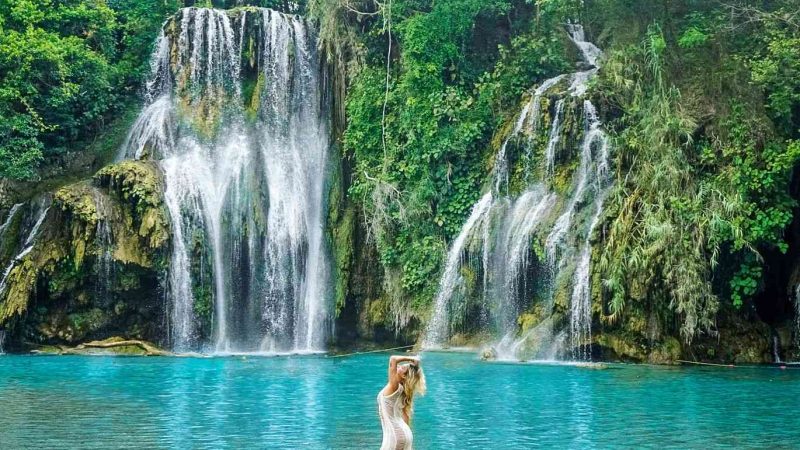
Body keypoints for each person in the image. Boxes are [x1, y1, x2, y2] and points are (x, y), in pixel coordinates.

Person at [377, 354, 426, 450]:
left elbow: (393, 359)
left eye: (402, 367)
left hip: (394, 435)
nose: (398, 366)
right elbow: (405, 416)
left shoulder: (394, 386)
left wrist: (412, 358)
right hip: (405, 433)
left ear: (403, 375)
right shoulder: (404, 390)